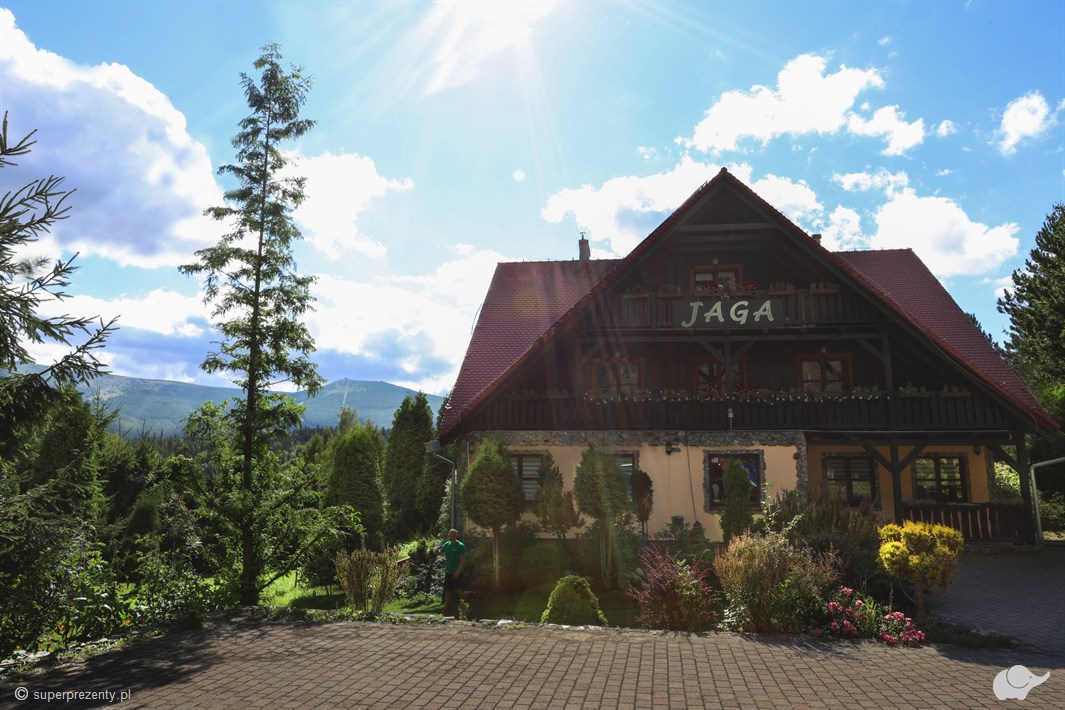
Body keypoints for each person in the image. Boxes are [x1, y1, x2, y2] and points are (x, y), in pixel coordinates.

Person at [435, 528, 467, 616]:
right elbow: (440, 553)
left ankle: (467, 605)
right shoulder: (447, 544)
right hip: (449, 571)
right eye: (450, 535)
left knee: (457, 590)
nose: (451, 537)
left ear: (456, 536)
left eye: (453, 535)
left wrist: (458, 571)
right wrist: (437, 551)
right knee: (448, 590)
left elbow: (463, 560)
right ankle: (445, 608)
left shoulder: (460, 546)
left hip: (457, 571)